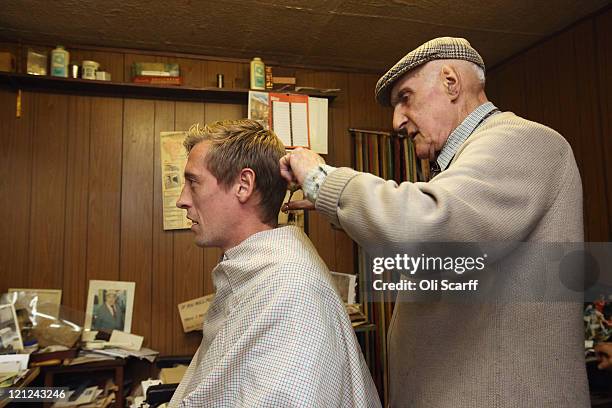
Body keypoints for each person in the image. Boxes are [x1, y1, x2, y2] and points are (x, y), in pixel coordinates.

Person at [280, 37, 588, 407]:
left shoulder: (522, 140)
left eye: (405, 98)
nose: (396, 121)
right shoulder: (464, 165)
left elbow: (432, 229)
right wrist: (348, 212)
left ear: (451, 82)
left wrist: (323, 181)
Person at [169, 120, 380, 407]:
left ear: (243, 185)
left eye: (193, 183)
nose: (182, 200)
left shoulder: (290, 286)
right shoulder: (258, 271)